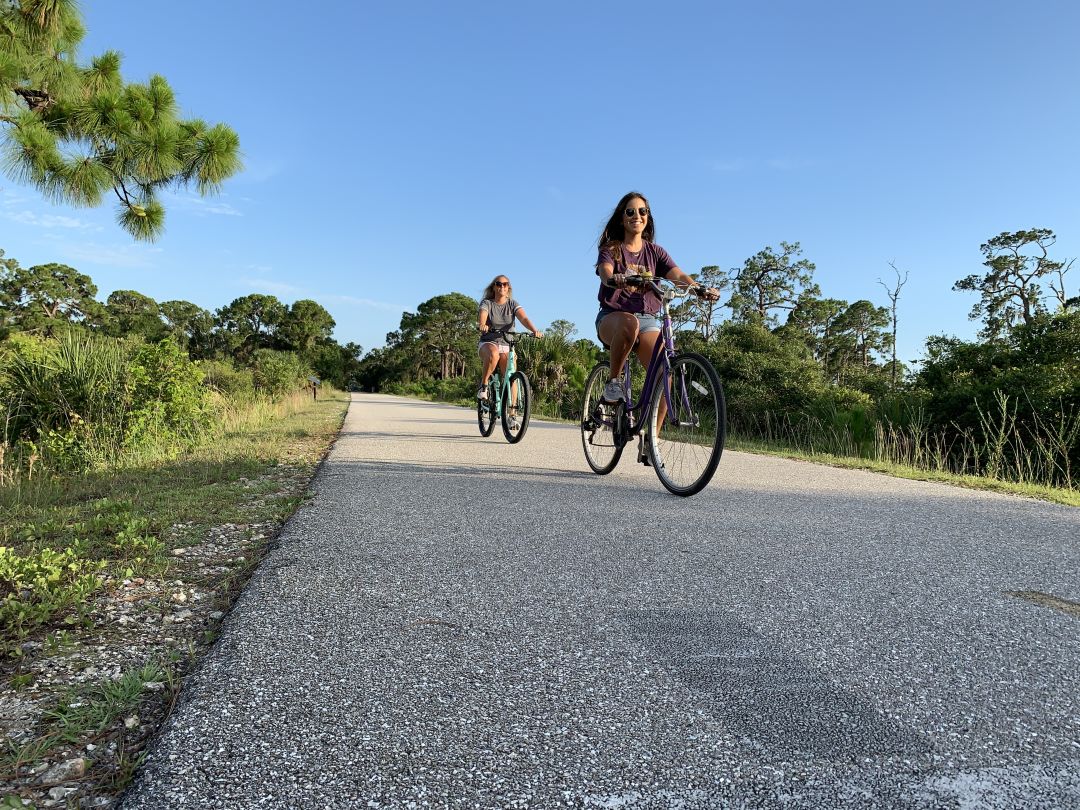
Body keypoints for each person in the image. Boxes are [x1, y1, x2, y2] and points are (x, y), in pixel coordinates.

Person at [594, 191, 721, 464]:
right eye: (630, 211)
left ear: (647, 218)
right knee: (628, 323)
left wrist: (698, 288)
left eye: (642, 212)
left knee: (666, 371)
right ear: (622, 217)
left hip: (649, 318)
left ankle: (651, 438)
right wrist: (615, 278)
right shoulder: (613, 249)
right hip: (613, 316)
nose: (637, 216)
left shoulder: (655, 252)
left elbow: (677, 275)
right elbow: (605, 271)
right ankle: (613, 384)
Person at [477, 276, 542, 416]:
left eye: (505, 284)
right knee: (493, 354)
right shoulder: (487, 303)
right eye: (499, 284)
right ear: (494, 287)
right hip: (489, 342)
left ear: (509, 288)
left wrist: (534, 330)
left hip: (507, 344)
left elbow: (523, 318)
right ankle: (484, 386)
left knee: (511, 374)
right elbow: (483, 314)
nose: (502, 287)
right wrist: (482, 324)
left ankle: (512, 413)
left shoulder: (512, 304)